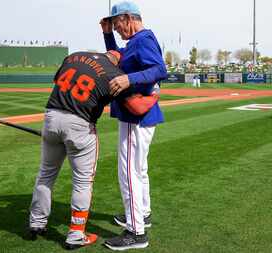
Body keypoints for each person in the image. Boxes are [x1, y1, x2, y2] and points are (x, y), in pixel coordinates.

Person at [28, 50, 158, 250]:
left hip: (51, 116)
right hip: (80, 124)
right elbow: (137, 108)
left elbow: (59, 81)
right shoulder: (114, 73)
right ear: (118, 62)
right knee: (82, 181)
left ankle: (37, 223)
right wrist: (155, 96)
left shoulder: (74, 56)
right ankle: (76, 234)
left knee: (45, 174)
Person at [100, 1, 167, 250]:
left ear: (129, 18)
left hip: (135, 117)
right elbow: (118, 59)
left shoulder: (142, 39)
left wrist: (130, 78)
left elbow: (160, 69)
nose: (117, 29)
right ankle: (144, 214)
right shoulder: (136, 41)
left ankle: (136, 232)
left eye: (117, 24)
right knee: (138, 170)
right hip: (143, 116)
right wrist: (107, 35)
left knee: (128, 173)